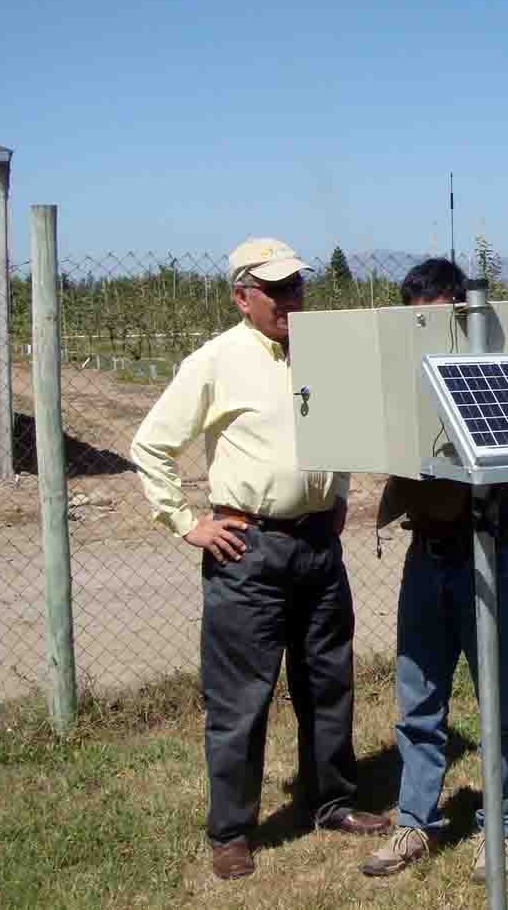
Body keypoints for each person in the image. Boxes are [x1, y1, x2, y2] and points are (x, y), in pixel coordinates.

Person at [129, 237, 388, 881]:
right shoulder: (214, 362)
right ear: (242, 296)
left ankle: (329, 801)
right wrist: (187, 522)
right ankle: (232, 830)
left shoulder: (325, 356)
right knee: (241, 695)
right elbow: (151, 446)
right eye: (275, 290)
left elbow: (346, 427)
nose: (289, 299)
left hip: (317, 548)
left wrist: (340, 493)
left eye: (296, 286)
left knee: (328, 680)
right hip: (249, 550)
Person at [362, 257, 508, 882]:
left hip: (488, 556)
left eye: (430, 321)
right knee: (418, 698)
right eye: (413, 324)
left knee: (500, 703)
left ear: (461, 314)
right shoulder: (403, 382)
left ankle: (504, 825)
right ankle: (416, 821)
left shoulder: (504, 370)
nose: (421, 335)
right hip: (425, 556)